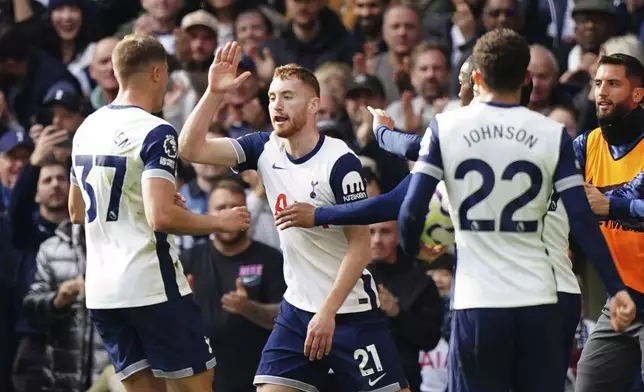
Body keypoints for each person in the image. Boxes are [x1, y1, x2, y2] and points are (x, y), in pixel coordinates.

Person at [273, 48, 580, 388]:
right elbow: (416, 147)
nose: (463, 94)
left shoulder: (461, 143)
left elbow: (392, 200)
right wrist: (384, 134)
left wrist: (319, 214)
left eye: (467, 85)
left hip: (494, 297)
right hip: (555, 292)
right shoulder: (548, 139)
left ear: (479, 86)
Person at [396, 28, 635, 392]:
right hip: (538, 301)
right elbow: (583, 219)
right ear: (526, 78)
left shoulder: (446, 127)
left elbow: (412, 210)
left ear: (477, 78)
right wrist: (616, 287)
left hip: (479, 300)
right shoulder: (552, 134)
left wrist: (416, 247)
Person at [179, 41, 410, 392]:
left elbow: (361, 249)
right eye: (272, 97)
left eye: (288, 96)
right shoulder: (262, 148)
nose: (276, 105)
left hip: (350, 311)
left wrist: (328, 312)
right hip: (298, 310)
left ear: (314, 105)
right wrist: (213, 92)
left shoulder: (340, 162)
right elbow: (190, 149)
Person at [67, 34, 250, 392]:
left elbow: (76, 210)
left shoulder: (85, 128)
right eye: (166, 74)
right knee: (197, 387)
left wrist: (142, 201)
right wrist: (219, 221)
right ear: (155, 72)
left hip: (103, 292)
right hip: (150, 285)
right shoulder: (156, 131)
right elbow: (161, 218)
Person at [573, 54, 644, 392]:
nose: (602, 91)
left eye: (614, 84)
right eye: (598, 83)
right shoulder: (587, 146)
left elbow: (615, 202)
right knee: (589, 382)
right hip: (622, 297)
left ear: (638, 95)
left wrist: (611, 205)